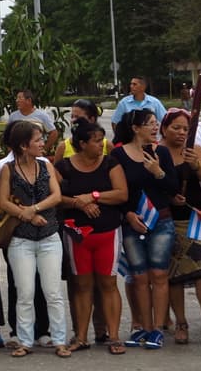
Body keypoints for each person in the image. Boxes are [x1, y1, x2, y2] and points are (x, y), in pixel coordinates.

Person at [54, 117, 128, 353]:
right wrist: (78, 203)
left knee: (108, 283)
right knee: (82, 285)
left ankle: (114, 336)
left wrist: (93, 196)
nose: (101, 145)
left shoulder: (110, 163)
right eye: (96, 141)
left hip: (107, 232)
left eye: (101, 140)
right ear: (82, 144)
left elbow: (121, 194)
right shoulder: (64, 167)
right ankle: (81, 336)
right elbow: (55, 197)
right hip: (77, 235)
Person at [0, 121, 69, 357]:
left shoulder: (46, 164)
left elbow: (57, 195)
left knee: (53, 292)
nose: (42, 143)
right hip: (21, 240)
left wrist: (33, 209)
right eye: (37, 140)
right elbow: (4, 201)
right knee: (25, 293)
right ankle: (25, 340)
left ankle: (59, 340)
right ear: (23, 145)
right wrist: (24, 215)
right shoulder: (8, 169)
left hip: (49, 237)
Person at [113, 109, 177, 349]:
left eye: (156, 123)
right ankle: (144, 326)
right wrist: (128, 214)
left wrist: (158, 172)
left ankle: (158, 329)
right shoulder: (118, 154)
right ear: (135, 128)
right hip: (133, 222)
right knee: (139, 276)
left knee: (159, 274)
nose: (154, 127)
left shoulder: (161, 152)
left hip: (161, 220)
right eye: (150, 123)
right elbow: (118, 190)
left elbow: (172, 188)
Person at [158, 108, 201, 347]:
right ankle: (181, 322)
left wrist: (197, 165)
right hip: (168, 219)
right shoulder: (158, 151)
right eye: (176, 128)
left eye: (185, 128)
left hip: (197, 218)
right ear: (165, 128)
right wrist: (169, 196)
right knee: (174, 274)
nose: (181, 133)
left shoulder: (195, 149)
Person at [8, 91, 58, 157]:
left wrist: (44, 149)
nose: (17, 101)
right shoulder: (13, 116)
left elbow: (54, 133)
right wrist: (10, 150)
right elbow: (8, 134)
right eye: (17, 98)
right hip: (18, 154)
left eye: (20, 98)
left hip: (36, 154)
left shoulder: (42, 115)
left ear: (29, 100)